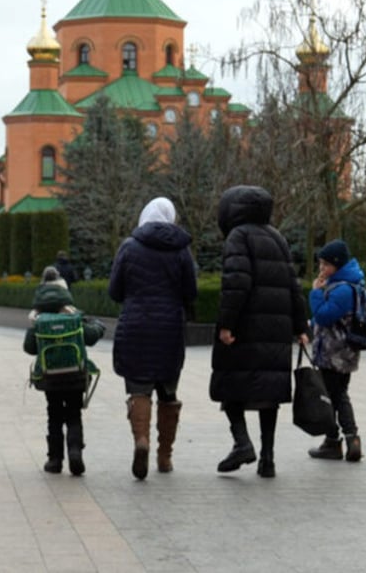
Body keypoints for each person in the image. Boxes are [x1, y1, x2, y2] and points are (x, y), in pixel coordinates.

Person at [211, 186, 309, 479]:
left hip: (246, 328)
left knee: (230, 386)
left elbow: (236, 283)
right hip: (276, 330)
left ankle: (242, 443)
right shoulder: (277, 237)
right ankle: (268, 459)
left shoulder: (237, 236)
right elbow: (294, 285)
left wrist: (227, 324)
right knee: (270, 394)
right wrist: (301, 326)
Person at [109, 197, 198, 480]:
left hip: (135, 326)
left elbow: (114, 291)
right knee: (168, 392)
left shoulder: (129, 247)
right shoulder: (182, 250)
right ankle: (165, 456)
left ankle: (141, 441)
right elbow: (191, 292)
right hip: (169, 328)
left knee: (139, 389)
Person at [23, 266, 105, 476]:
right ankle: (75, 452)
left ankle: (55, 460)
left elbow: (29, 348)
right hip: (75, 375)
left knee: (54, 416)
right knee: (74, 414)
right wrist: (98, 326)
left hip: (50, 378)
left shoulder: (37, 319)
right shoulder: (72, 315)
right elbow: (91, 337)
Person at [307, 239, 364, 462]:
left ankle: (337, 441)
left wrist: (315, 293)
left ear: (337, 264)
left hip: (334, 353)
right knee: (338, 394)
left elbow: (324, 315)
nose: (322, 269)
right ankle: (348, 440)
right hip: (344, 352)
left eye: (326, 265)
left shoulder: (342, 289)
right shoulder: (349, 284)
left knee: (333, 396)